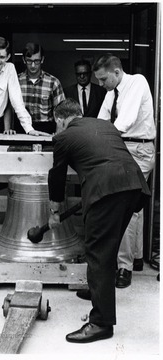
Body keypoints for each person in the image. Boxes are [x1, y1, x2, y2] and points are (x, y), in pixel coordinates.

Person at [48, 98, 150, 343]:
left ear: (60, 120)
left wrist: (54, 212)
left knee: (97, 254)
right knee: (108, 248)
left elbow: (57, 176)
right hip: (134, 187)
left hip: (106, 192)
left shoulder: (62, 138)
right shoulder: (105, 126)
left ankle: (101, 323)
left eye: (57, 124)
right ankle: (98, 291)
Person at [93, 53, 156, 288]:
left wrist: (99, 140)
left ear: (116, 72)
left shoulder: (137, 81)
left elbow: (125, 121)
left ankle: (123, 267)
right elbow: (101, 120)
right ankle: (136, 259)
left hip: (138, 148)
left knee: (125, 205)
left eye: (103, 79)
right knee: (135, 206)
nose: (100, 84)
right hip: (124, 146)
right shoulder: (113, 91)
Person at [0, 36, 48, 136]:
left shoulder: (9, 69)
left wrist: (29, 129)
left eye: (2, 57)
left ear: (7, 57)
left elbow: (17, 101)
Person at [17, 42, 65, 134]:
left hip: (46, 128)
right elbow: (10, 109)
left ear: (42, 59)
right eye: (29, 61)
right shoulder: (16, 81)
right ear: (24, 60)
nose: (33, 65)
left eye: (37, 61)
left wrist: (59, 132)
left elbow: (61, 112)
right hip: (22, 128)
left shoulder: (53, 82)